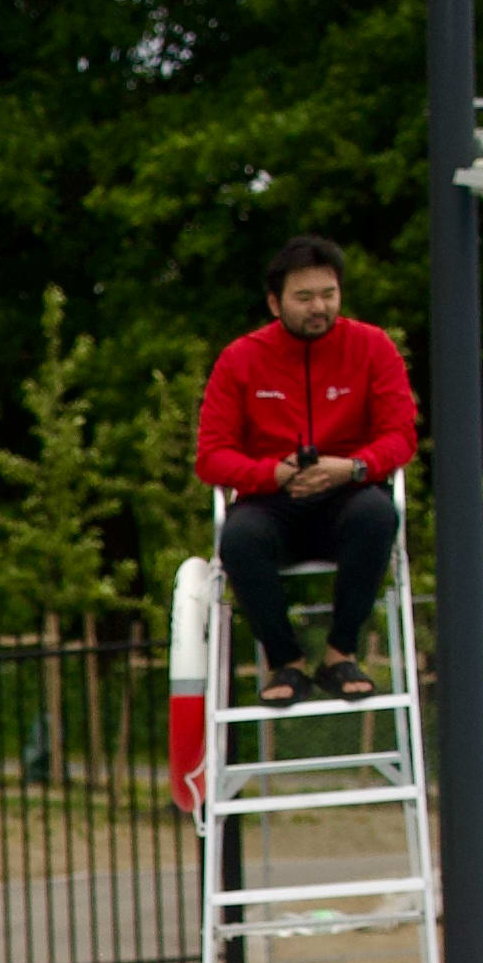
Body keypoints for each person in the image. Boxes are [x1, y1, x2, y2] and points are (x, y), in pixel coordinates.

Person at [196, 239, 418, 707]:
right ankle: (287, 662)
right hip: (269, 501)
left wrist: (351, 468)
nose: (319, 307)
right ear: (275, 303)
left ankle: (341, 653)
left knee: (378, 516)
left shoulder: (373, 346)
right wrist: (272, 474)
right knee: (237, 539)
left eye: (328, 294)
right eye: (305, 297)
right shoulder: (240, 358)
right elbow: (211, 457)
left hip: (348, 493)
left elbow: (401, 437)